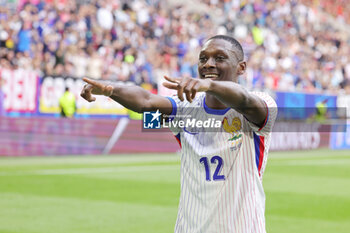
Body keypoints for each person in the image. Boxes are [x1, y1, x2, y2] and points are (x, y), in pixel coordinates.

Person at [81, 35, 277, 233]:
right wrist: (110, 89)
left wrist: (209, 86)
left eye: (219, 58)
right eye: (203, 58)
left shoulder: (261, 104)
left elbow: (244, 100)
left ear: (241, 67)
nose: (208, 64)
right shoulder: (185, 108)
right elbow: (146, 102)